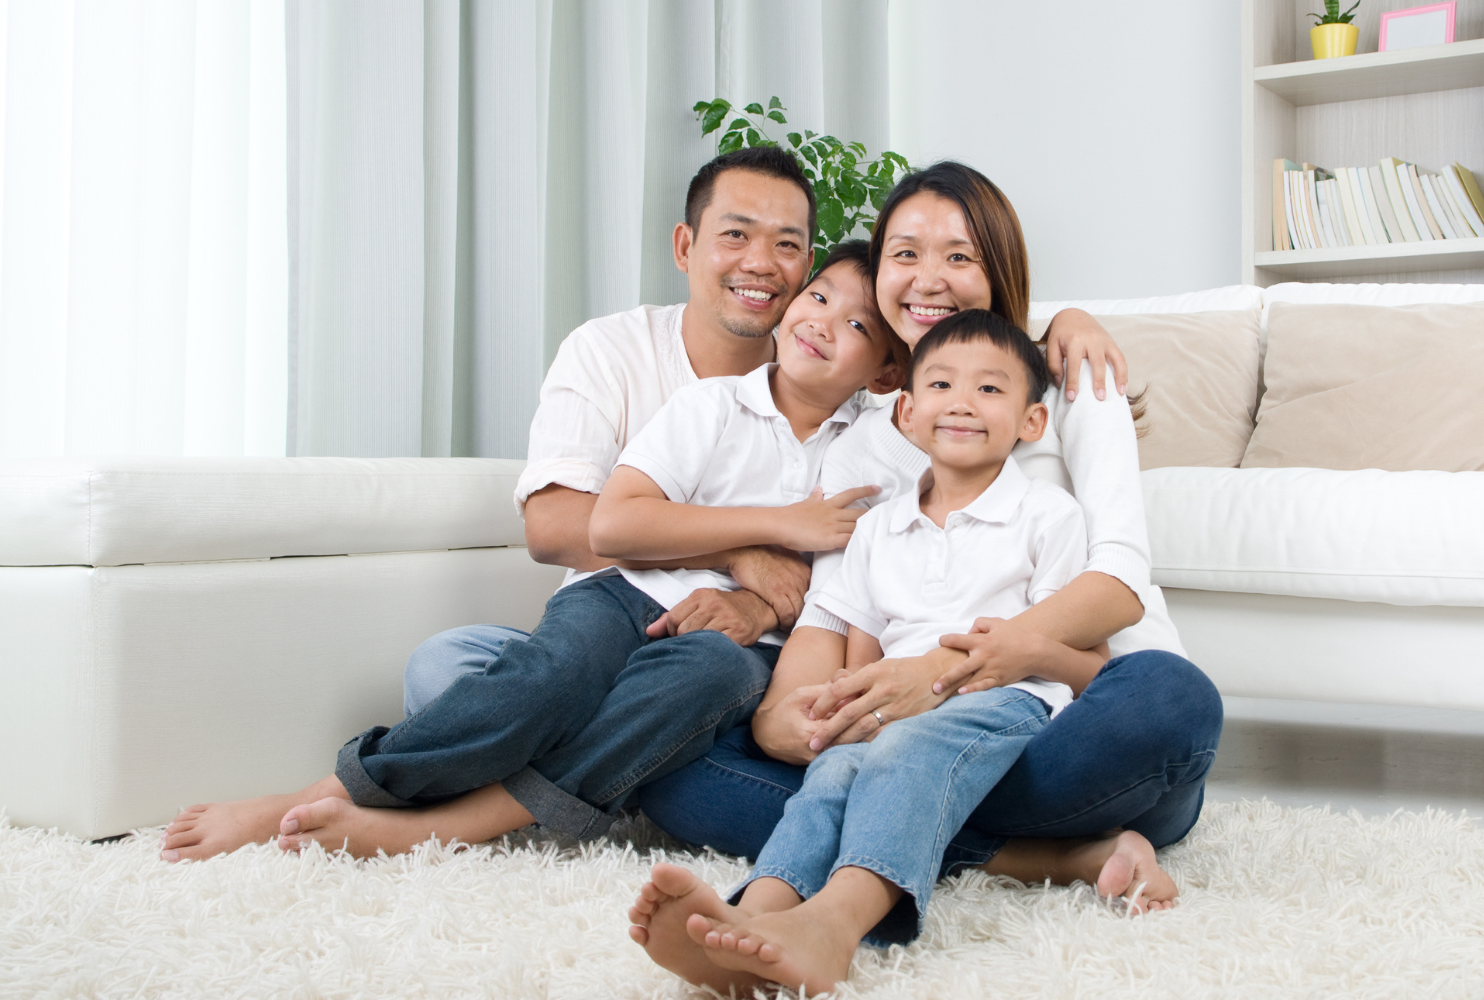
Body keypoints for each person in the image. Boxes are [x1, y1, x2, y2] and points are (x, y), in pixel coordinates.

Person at [158, 147, 1131, 863]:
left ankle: (461, 814)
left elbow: (969, 388)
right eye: (736, 237)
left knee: (709, 689)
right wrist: (768, 538)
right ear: (687, 245)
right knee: (476, 670)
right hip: (618, 603)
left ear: (887, 368)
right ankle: (334, 790)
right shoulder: (683, 388)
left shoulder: (880, 430)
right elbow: (585, 526)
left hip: (723, 655)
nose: (796, 296)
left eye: (790, 250)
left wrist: (1068, 321)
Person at [630, 162, 1222, 966]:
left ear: (999, 272)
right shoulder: (866, 435)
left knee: (1173, 696)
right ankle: (1056, 857)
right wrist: (804, 718)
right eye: (904, 254)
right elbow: (836, 616)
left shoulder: (1071, 380)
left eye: (960, 257)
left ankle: (868, 881)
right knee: (677, 768)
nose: (928, 280)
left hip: (1068, 727)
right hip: (901, 738)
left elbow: (1116, 581)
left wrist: (937, 678)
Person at [641, 309, 1109, 994]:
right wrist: (837, 719)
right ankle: (754, 920)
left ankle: (832, 929)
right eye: (943, 385)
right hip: (892, 704)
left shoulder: (1048, 516)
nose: (961, 403)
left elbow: (1088, 659)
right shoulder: (877, 528)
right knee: (832, 775)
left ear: (1031, 423)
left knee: (896, 756)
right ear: (910, 414)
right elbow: (861, 658)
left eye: (989, 390)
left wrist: (1021, 659)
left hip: (1004, 699)